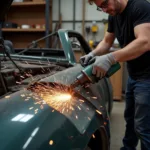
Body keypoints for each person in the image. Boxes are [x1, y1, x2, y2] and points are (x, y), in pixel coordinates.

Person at [80, 0, 150, 149]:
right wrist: (92, 53)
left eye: (105, 4)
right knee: (130, 120)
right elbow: (106, 42)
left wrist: (111, 58)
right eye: (100, 8)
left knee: (144, 127)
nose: (105, 9)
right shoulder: (114, 15)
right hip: (134, 76)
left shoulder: (141, 7)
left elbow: (145, 41)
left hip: (148, 78)